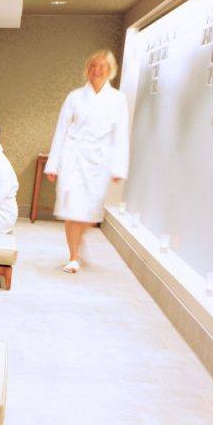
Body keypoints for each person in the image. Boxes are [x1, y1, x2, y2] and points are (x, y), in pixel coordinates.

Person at [44, 50, 130, 273]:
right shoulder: (74, 97)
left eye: (102, 66)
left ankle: (79, 241)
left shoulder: (117, 99)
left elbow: (121, 135)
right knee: (72, 208)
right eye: (93, 65)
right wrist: (53, 163)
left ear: (110, 71)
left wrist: (118, 167)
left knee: (89, 211)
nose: (97, 70)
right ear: (87, 69)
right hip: (73, 157)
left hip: (99, 162)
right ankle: (73, 257)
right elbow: (61, 130)